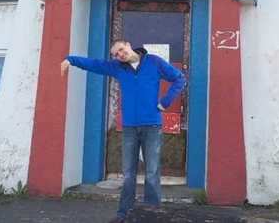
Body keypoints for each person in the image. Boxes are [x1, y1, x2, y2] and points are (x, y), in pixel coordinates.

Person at [60, 39, 186, 223]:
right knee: (128, 173)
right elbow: (95, 64)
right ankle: (124, 213)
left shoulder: (154, 62)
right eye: (116, 54)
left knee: (152, 172)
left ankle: (152, 214)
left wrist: (165, 102)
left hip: (152, 125)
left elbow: (180, 78)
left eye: (120, 50)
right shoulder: (118, 67)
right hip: (129, 127)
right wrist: (70, 60)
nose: (120, 55)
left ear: (128, 45)